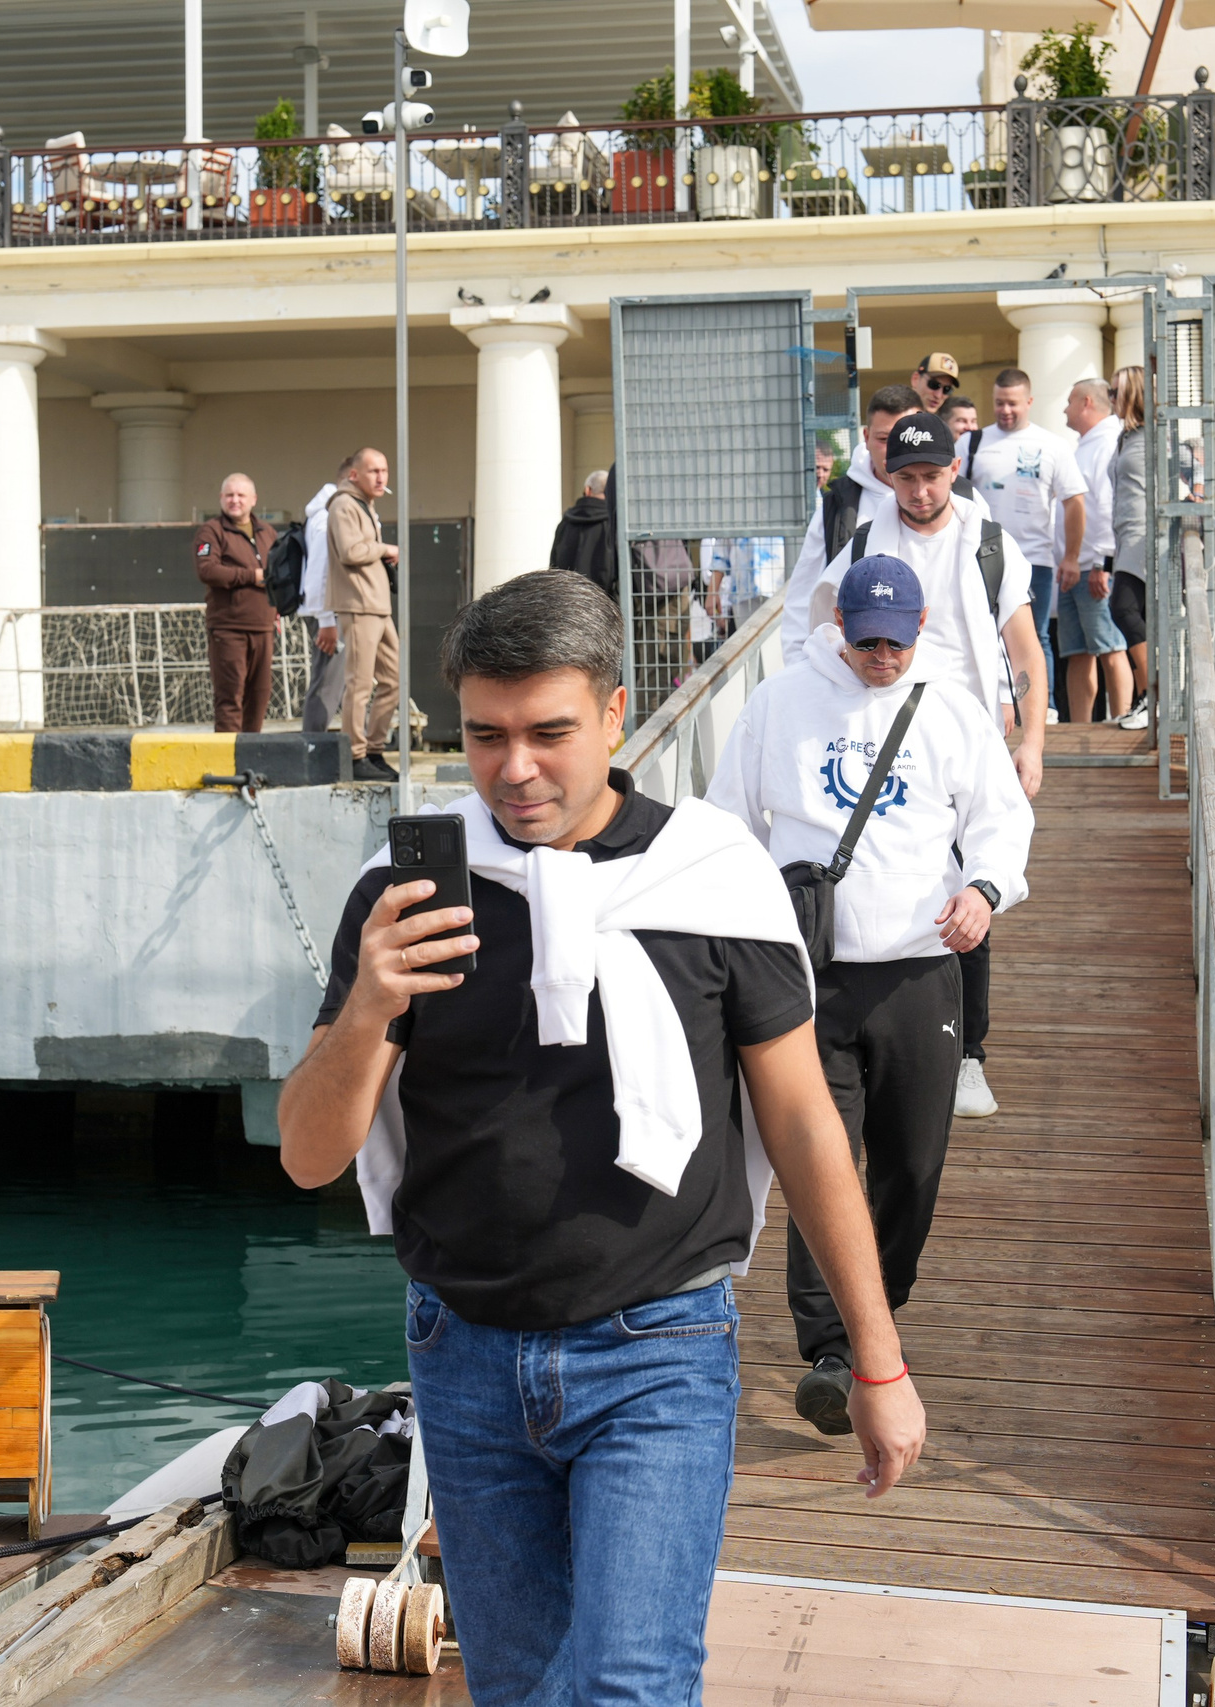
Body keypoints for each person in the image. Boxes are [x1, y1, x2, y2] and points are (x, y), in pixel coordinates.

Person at [277, 570, 926, 1706]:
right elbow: (309, 1155)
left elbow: (805, 1126)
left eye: (548, 733)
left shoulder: (714, 883)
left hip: (659, 1349)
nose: (514, 769)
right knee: (519, 1688)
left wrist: (877, 1362)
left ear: (617, 714)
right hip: (464, 1354)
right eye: (484, 737)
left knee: (631, 1682)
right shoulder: (409, 897)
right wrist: (373, 1004)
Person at [707, 554, 1031, 1434]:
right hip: (805, 973)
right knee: (820, 1156)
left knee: (913, 1165)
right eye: (866, 640)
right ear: (838, 628)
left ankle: (877, 1311)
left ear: (922, 629)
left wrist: (987, 889)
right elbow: (727, 818)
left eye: (897, 639)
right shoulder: (780, 703)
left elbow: (1002, 820)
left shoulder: (953, 708)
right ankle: (833, 1349)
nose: (882, 655)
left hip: (921, 967)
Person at [819, 411, 1050, 1122]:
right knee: (875, 875)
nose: (918, 492)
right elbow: (822, 626)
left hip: (962, 733)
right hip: (877, 726)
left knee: (970, 887)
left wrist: (1032, 741)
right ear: (887, 475)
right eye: (905, 477)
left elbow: (1025, 649)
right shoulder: (863, 538)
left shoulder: (985, 541)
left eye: (931, 475)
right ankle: (869, 1038)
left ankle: (968, 1053)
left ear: (956, 469)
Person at [783, 384, 917, 666]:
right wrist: (797, 666)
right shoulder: (839, 506)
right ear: (866, 437)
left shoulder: (961, 502)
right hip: (857, 673)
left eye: (904, 438)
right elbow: (803, 595)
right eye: (883, 438)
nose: (894, 450)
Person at [966, 367, 1086, 676]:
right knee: (985, 636)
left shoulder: (1052, 445)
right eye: (999, 402)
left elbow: (1075, 501)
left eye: (1013, 403)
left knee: (1037, 635)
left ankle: (1043, 708)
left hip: (1035, 560)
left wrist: (1071, 557)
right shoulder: (971, 444)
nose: (1005, 410)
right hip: (981, 558)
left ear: (1029, 401)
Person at [326, 447, 403, 780]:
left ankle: (374, 750)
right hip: (358, 604)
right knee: (359, 683)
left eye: (384, 471)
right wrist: (385, 549)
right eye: (373, 471)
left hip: (378, 604)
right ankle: (355, 757)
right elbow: (350, 550)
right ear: (354, 474)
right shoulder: (344, 504)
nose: (381, 477)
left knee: (393, 680)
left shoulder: (365, 505)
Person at [1061, 378, 1134, 724]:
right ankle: (1079, 728)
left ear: (1087, 402)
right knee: (1078, 651)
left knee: (1110, 646)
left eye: (1070, 401)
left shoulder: (1107, 443)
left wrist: (1102, 563)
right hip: (1075, 565)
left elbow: (1107, 507)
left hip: (1092, 566)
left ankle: (1122, 720)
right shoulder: (1086, 445)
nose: (1065, 408)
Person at [193, 474, 279, 734]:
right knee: (230, 698)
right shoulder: (211, 531)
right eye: (229, 495)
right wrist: (250, 575)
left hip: (264, 628)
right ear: (221, 499)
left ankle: (250, 761)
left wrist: (276, 611)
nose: (235, 500)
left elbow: (278, 576)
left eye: (241, 495)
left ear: (253, 500)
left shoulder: (268, 532)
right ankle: (227, 766)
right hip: (228, 628)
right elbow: (207, 570)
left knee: (259, 697)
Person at [1107, 366, 1157, 729]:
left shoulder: (1155, 435)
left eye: (1115, 392)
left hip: (1145, 535)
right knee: (1131, 612)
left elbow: (1190, 468)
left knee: (1123, 608)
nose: (1111, 399)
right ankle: (1146, 697)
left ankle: (1153, 695)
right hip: (1126, 535)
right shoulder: (1126, 436)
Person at [299, 460, 347, 734]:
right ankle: (312, 747)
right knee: (327, 683)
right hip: (331, 612)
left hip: (336, 610)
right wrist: (326, 619)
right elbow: (317, 572)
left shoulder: (332, 513)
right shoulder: (326, 518)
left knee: (340, 682)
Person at [549, 469, 618, 599]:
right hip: (605, 603)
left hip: (568, 601)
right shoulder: (613, 523)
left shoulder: (565, 523)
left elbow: (554, 565)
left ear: (587, 490)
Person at [911, 349, 960, 419]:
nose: (938, 395)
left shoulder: (943, 426)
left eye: (947, 389)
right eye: (934, 385)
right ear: (915, 379)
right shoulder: (895, 415)